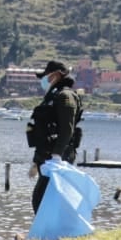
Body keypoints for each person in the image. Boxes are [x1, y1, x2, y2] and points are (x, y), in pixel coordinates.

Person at [24, 61, 84, 214]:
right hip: (46, 156)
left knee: (43, 199)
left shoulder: (66, 96)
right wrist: (36, 162)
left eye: (47, 77)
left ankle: (53, 229)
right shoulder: (52, 96)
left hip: (58, 157)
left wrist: (57, 156)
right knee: (41, 199)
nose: (45, 81)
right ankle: (46, 228)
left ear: (57, 75)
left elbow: (67, 129)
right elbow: (43, 130)